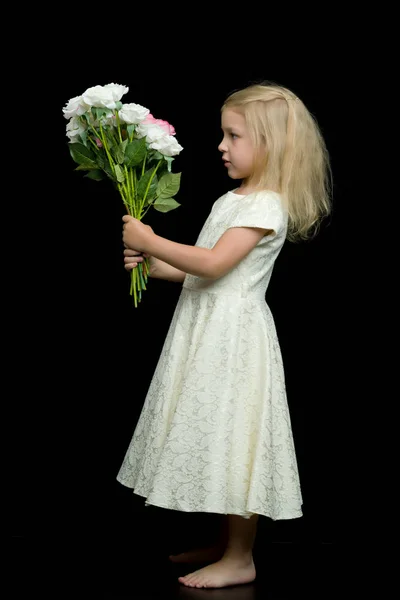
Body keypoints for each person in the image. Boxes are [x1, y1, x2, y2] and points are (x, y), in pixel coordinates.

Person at [117, 81, 332, 589]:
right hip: (206, 329)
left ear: (270, 144)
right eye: (223, 134)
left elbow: (213, 262)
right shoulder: (232, 199)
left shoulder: (266, 206)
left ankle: (241, 557)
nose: (221, 145)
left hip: (234, 339)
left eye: (233, 136)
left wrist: (153, 239)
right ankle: (226, 541)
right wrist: (155, 263)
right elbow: (205, 272)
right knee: (217, 434)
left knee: (238, 438)